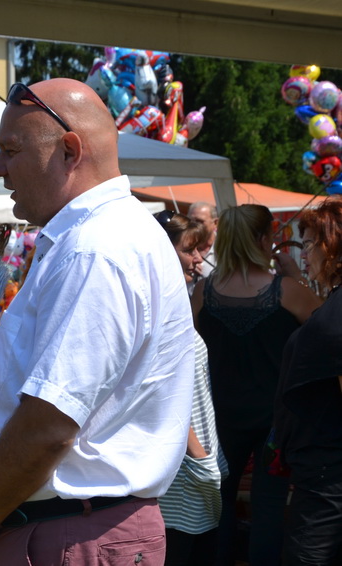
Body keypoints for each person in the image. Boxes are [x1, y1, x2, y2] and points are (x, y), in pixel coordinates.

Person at [0, 78, 195, 565]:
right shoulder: (105, 236)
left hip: (72, 534)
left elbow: (50, 423)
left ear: (70, 151)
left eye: (11, 150)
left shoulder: (96, 247)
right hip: (72, 527)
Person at [190, 204, 321, 566]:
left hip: (219, 416)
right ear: (264, 240)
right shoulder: (288, 291)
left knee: (219, 502)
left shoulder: (203, 292)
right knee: (269, 504)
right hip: (274, 419)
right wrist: (297, 276)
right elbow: (330, 329)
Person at [153, 211, 225, 565]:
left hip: (193, 463)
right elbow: (162, 395)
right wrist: (199, 457)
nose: (198, 259)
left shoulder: (178, 301)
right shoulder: (160, 311)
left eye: (199, 250)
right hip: (181, 472)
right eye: (189, 250)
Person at [273, 196, 342, 565]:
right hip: (321, 470)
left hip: (328, 477)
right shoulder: (333, 303)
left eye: (311, 244)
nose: (305, 254)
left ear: (334, 247)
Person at [188, 201, 218, 279]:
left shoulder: (226, 248)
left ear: (215, 223)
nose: (193, 225)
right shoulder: (178, 247)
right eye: (190, 221)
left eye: (199, 221)